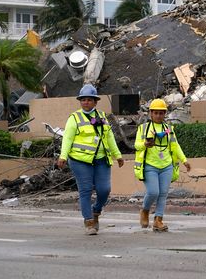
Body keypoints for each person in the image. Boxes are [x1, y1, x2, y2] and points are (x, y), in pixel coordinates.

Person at [57, 84, 124, 235]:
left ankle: (96, 211)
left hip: (101, 160)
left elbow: (110, 137)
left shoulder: (102, 117)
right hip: (80, 161)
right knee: (85, 190)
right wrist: (63, 156)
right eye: (83, 100)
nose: (86, 102)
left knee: (104, 189)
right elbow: (67, 138)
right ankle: (88, 222)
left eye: (89, 100)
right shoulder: (74, 118)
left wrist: (117, 155)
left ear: (95, 102)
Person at [134, 98, 190, 232]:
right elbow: (136, 145)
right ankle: (145, 210)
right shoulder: (143, 128)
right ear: (151, 114)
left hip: (166, 166)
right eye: (156, 113)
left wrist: (184, 160)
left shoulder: (169, 129)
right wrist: (145, 144)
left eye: (161, 113)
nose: (158, 116)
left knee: (163, 194)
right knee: (153, 192)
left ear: (165, 114)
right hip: (150, 166)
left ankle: (158, 220)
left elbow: (175, 146)